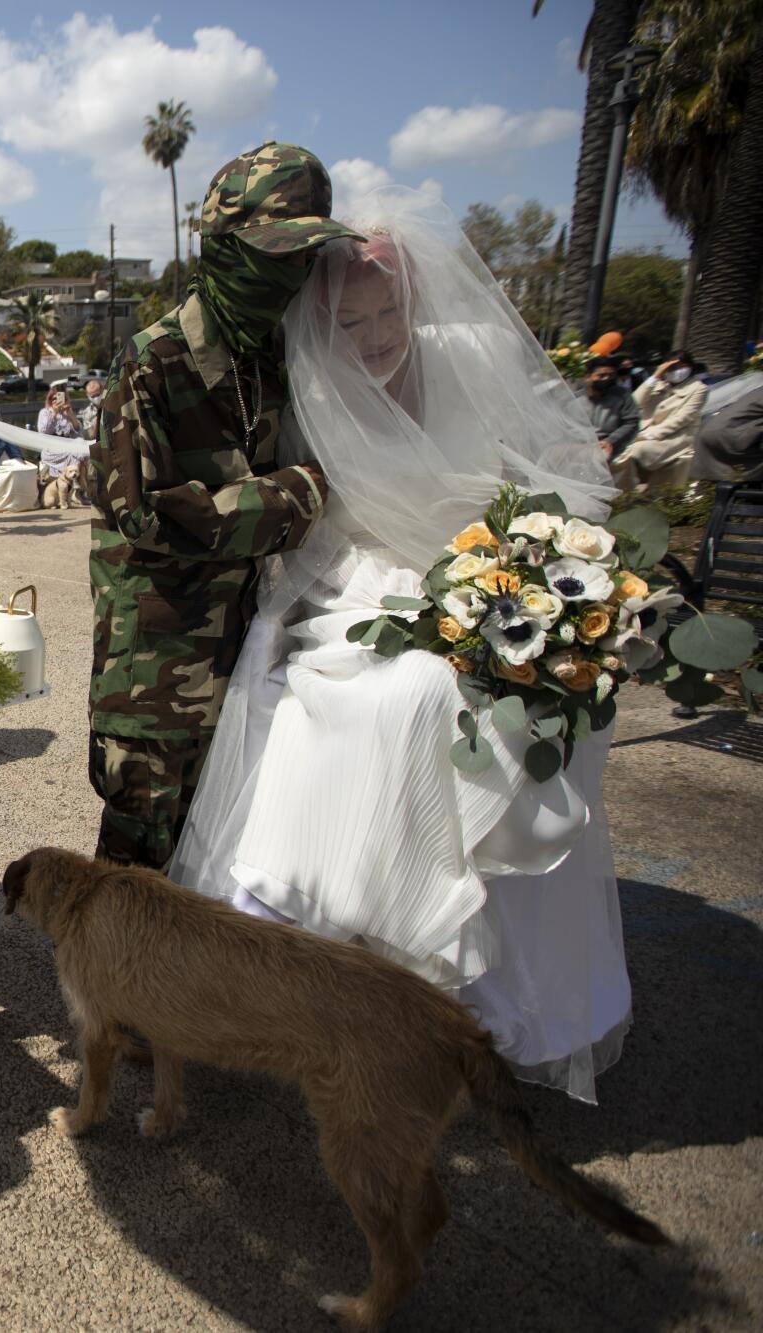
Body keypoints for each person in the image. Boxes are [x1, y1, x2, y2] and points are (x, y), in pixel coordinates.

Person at [169, 191, 630, 1102]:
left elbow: (553, 468)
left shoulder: (467, 359)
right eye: (353, 319)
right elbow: (320, 533)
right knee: (400, 695)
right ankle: (390, 944)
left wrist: (537, 559)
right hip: (365, 583)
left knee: (525, 695)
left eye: (389, 311)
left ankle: (475, 977)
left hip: (481, 571)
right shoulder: (317, 388)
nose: (376, 334)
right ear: (325, 322)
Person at [87, 142, 351, 868]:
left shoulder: (276, 357)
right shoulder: (155, 360)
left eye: (305, 257)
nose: (293, 274)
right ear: (225, 251)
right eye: (275, 256)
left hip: (253, 649)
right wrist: (303, 494)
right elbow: (144, 513)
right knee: (135, 869)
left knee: (222, 857)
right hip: (158, 664)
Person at [614, 351, 708, 491]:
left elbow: (683, 418)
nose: (677, 371)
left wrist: (648, 435)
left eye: (681, 367)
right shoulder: (658, 384)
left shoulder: (698, 389)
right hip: (642, 434)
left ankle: (623, 493)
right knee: (616, 452)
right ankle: (620, 492)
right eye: (672, 368)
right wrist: (655, 377)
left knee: (635, 451)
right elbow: (633, 404)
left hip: (674, 437)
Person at [585, 356, 641, 461]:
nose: (606, 379)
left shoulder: (622, 395)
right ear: (588, 377)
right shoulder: (575, 396)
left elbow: (631, 422)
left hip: (610, 444)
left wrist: (610, 440)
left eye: (611, 375)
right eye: (601, 375)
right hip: (578, 443)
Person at [36, 386, 84, 508]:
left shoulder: (67, 413)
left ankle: (75, 488)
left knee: (79, 444)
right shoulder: (45, 412)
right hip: (51, 449)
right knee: (76, 450)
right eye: (54, 399)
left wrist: (71, 415)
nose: (58, 401)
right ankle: (75, 489)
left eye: (63, 398)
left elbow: (78, 432)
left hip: (67, 447)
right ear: (50, 399)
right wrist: (54, 413)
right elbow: (43, 431)